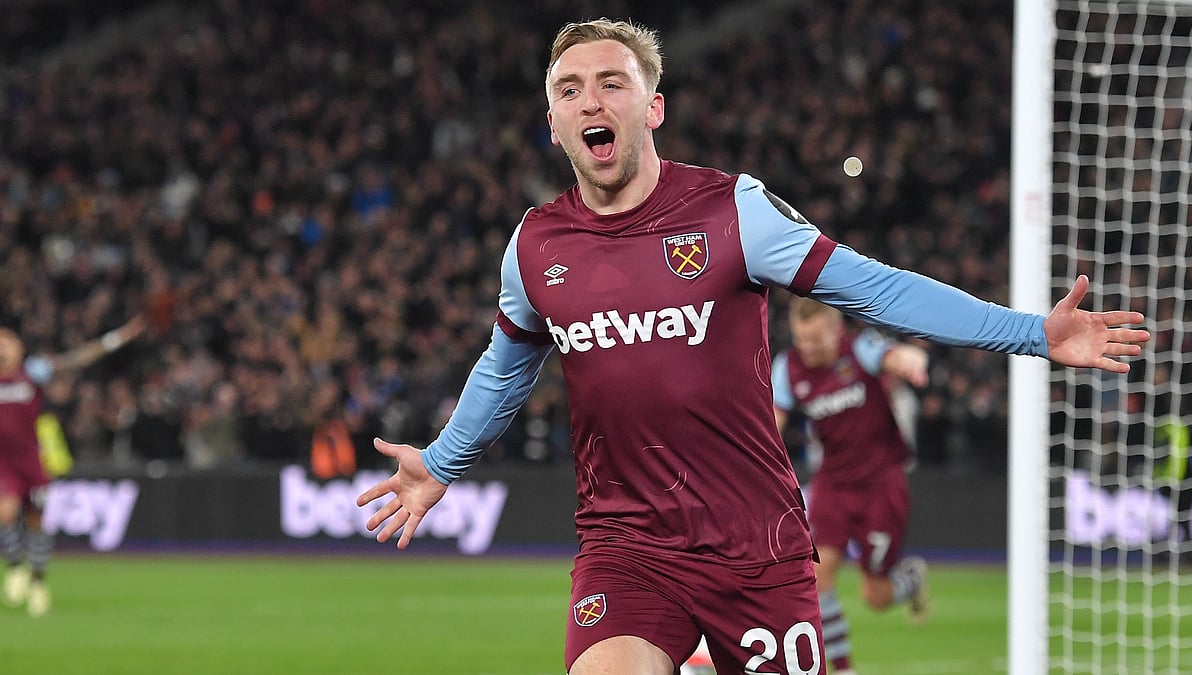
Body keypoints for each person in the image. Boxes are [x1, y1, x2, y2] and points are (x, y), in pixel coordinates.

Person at [356, 18, 1149, 675]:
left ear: (652, 106)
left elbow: (879, 289)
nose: (590, 99)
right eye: (570, 89)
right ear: (554, 121)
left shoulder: (732, 211)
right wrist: (444, 459)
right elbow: (506, 364)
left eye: (612, 83)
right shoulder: (535, 245)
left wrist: (1032, 333)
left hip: (757, 547)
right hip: (625, 545)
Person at [772, 296, 932, 675]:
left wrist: (911, 360)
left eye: (815, 339)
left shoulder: (860, 348)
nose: (808, 347)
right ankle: (843, 668)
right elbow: (770, 428)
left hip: (882, 483)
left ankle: (911, 579)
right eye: (802, 339)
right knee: (816, 576)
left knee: (874, 596)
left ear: (835, 331)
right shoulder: (787, 368)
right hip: (832, 485)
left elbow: (894, 356)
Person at [0, 316, 145, 617]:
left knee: (36, 522)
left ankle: (38, 580)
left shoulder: (32, 373)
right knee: (4, 513)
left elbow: (77, 358)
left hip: (31, 461)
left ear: (19, 348)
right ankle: (15, 566)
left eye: (6, 343)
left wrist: (116, 337)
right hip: (4, 463)